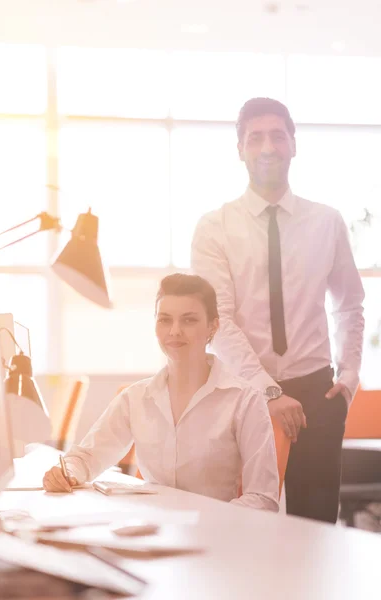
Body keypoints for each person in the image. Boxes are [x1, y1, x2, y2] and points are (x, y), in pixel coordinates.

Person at [191, 97, 365, 524]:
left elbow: (349, 302)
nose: (267, 146)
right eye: (255, 137)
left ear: (293, 145)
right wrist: (267, 390)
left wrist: (349, 376)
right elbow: (219, 322)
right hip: (242, 393)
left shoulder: (326, 221)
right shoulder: (215, 227)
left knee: (317, 527)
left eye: (277, 135)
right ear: (240, 150)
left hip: (317, 393)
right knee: (239, 525)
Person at [43, 273, 279, 512]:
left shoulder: (244, 400)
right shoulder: (136, 398)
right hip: (152, 531)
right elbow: (86, 457)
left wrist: (205, 519)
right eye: (165, 320)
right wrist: (68, 473)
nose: (175, 331)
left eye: (189, 320)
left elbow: (263, 498)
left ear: (213, 326)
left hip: (214, 535)